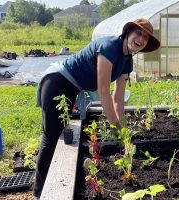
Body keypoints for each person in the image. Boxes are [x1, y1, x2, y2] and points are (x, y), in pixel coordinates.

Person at [33, 18, 160, 199]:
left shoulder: (127, 61)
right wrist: (114, 124)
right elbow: (104, 93)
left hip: (72, 87)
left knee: (58, 132)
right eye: (138, 33)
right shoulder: (109, 47)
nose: (141, 38)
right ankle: (39, 193)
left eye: (146, 37)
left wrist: (121, 126)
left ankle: (43, 181)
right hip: (57, 81)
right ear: (128, 32)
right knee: (51, 136)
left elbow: (118, 96)